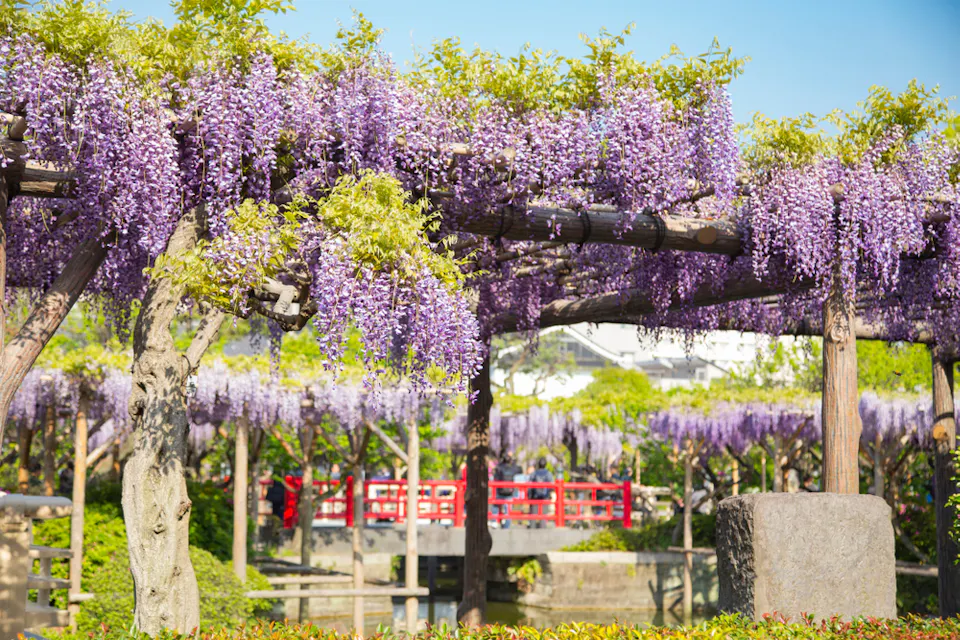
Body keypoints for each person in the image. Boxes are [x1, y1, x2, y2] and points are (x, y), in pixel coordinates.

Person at [493, 452, 521, 528]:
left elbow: (496, 477)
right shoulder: (513, 468)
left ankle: (494, 521)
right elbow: (519, 469)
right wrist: (513, 461)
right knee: (508, 510)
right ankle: (506, 526)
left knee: (495, 505)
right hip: (509, 492)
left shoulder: (499, 467)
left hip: (500, 490)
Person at [528, 457, 554, 528]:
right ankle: (543, 527)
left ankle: (532, 527)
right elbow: (552, 485)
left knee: (533, 513)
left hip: (535, 496)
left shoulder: (534, 473)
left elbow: (529, 485)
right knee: (544, 514)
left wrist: (529, 495)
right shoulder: (549, 474)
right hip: (545, 496)